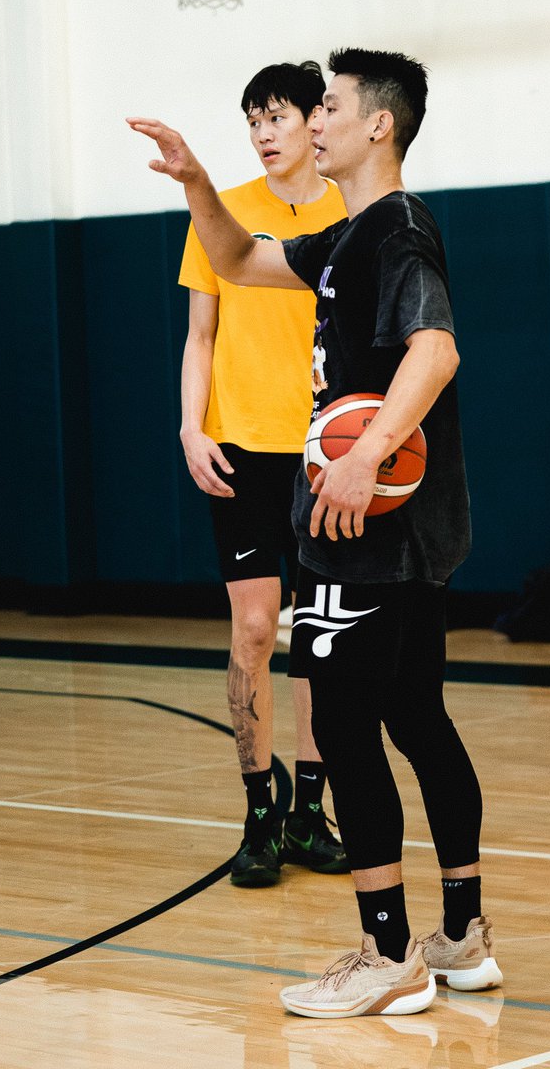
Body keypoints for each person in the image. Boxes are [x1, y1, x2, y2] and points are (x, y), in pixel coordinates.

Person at [129, 47, 502, 1018]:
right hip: (399, 525)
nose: (317, 119)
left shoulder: (396, 232)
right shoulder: (347, 237)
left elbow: (438, 347)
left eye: (329, 106)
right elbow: (238, 259)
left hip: (366, 522)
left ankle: (388, 957)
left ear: (378, 124)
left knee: (340, 721)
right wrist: (202, 181)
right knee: (416, 716)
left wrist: (368, 450)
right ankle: (460, 936)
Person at [177, 61, 349, 886]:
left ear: (314, 119)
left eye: (275, 115)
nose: (263, 132)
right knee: (254, 630)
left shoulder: (354, 211)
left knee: (317, 641)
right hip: (240, 446)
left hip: (324, 453)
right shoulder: (223, 214)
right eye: (252, 120)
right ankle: (257, 815)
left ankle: (310, 814)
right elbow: (199, 334)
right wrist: (189, 427)